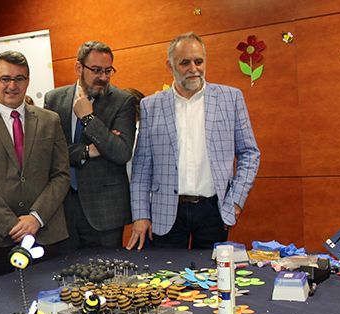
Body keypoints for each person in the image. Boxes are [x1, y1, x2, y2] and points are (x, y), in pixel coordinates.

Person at [128, 32, 260, 250]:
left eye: (199, 61)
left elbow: (249, 153)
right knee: (166, 281)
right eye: (184, 62)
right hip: (166, 213)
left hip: (214, 211)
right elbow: (141, 168)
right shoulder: (150, 106)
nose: (193, 69)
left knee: (213, 282)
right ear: (170, 66)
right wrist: (140, 215)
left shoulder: (230, 98)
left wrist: (236, 199)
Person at [0, 51, 70, 283]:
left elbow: (61, 175)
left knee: (49, 309)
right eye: (5, 78)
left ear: (28, 81)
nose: (12, 85)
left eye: (20, 78)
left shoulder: (51, 121)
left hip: (45, 234)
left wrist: (35, 218)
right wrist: (13, 225)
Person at [44, 41, 137, 253]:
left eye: (108, 71)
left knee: (107, 280)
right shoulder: (54, 99)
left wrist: (88, 118)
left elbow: (121, 151)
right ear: (79, 68)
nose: (103, 77)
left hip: (104, 213)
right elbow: (50, 153)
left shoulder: (123, 101)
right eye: (96, 70)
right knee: (64, 278)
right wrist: (88, 151)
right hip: (63, 209)